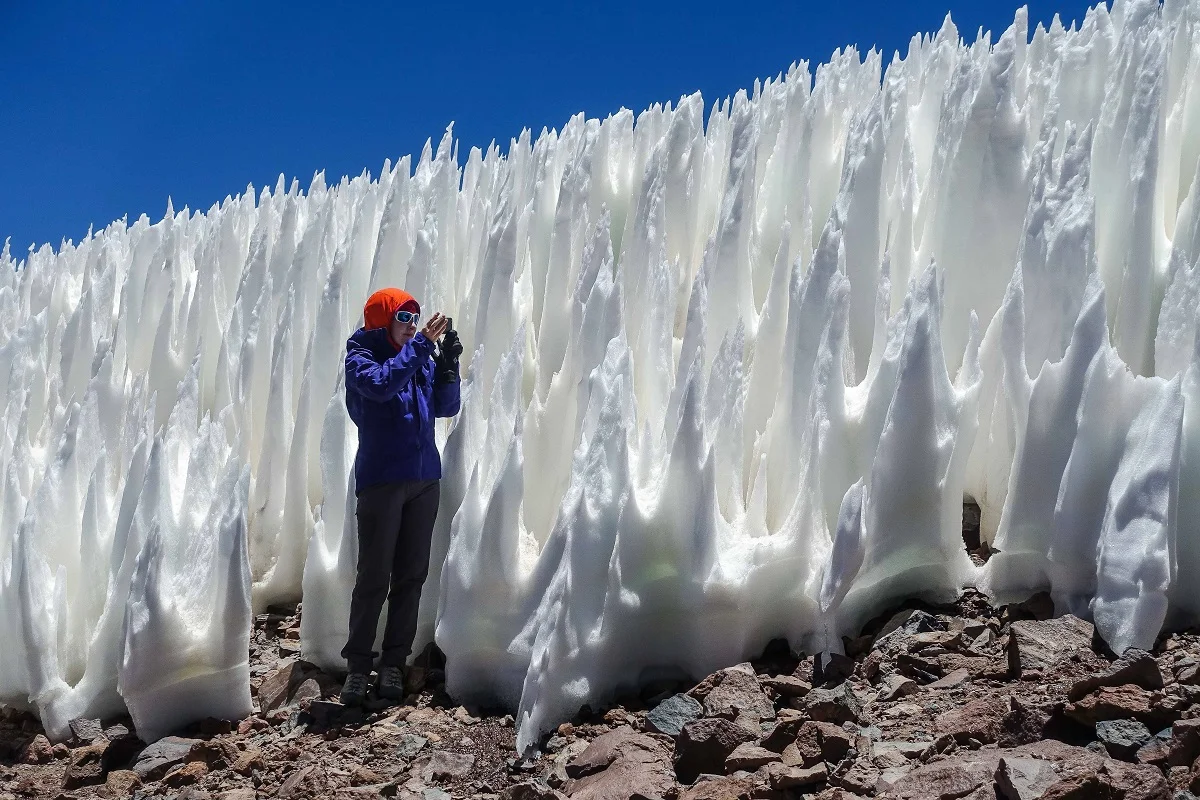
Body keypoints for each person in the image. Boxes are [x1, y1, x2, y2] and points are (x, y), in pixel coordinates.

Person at [339, 287, 463, 706]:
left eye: (416, 319)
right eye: (404, 318)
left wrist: (448, 367)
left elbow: (445, 409)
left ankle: (394, 661)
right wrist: (424, 347)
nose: (412, 326)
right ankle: (358, 667)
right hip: (382, 480)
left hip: (424, 479)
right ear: (382, 319)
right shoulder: (361, 357)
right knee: (373, 576)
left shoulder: (417, 356)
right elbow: (380, 386)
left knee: (411, 576)